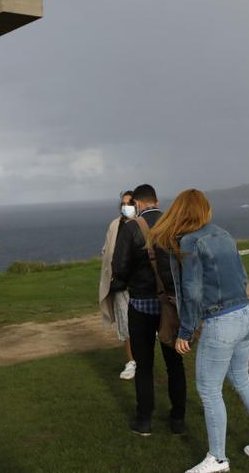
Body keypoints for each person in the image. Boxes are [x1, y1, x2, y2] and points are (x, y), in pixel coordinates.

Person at [154, 189, 249, 473]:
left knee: (209, 390)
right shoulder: (223, 234)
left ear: (180, 211)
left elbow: (193, 291)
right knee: (242, 379)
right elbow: (242, 275)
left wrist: (185, 332)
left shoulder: (189, 241)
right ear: (204, 210)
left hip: (221, 321)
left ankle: (218, 459)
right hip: (246, 315)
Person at [110, 183, 186, 436]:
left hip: (141, 305)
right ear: (156, 200)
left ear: (138, 204)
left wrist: (127, 280)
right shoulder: (173, 225)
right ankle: (177, 419)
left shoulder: (131, 228)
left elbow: (119, 266)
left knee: (143, 365)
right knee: (174, 363)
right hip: (171, 306)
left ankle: (144, 421)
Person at [98, 190, 137, 380]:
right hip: (120, 285)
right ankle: (131, 362)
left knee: (143, 325)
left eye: (129, 203)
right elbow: (107, 249)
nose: (125, 207)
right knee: (125, 324)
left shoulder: (141, 225)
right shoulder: (115, 225)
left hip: (139, 285)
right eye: (123, 203)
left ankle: (141, 360)